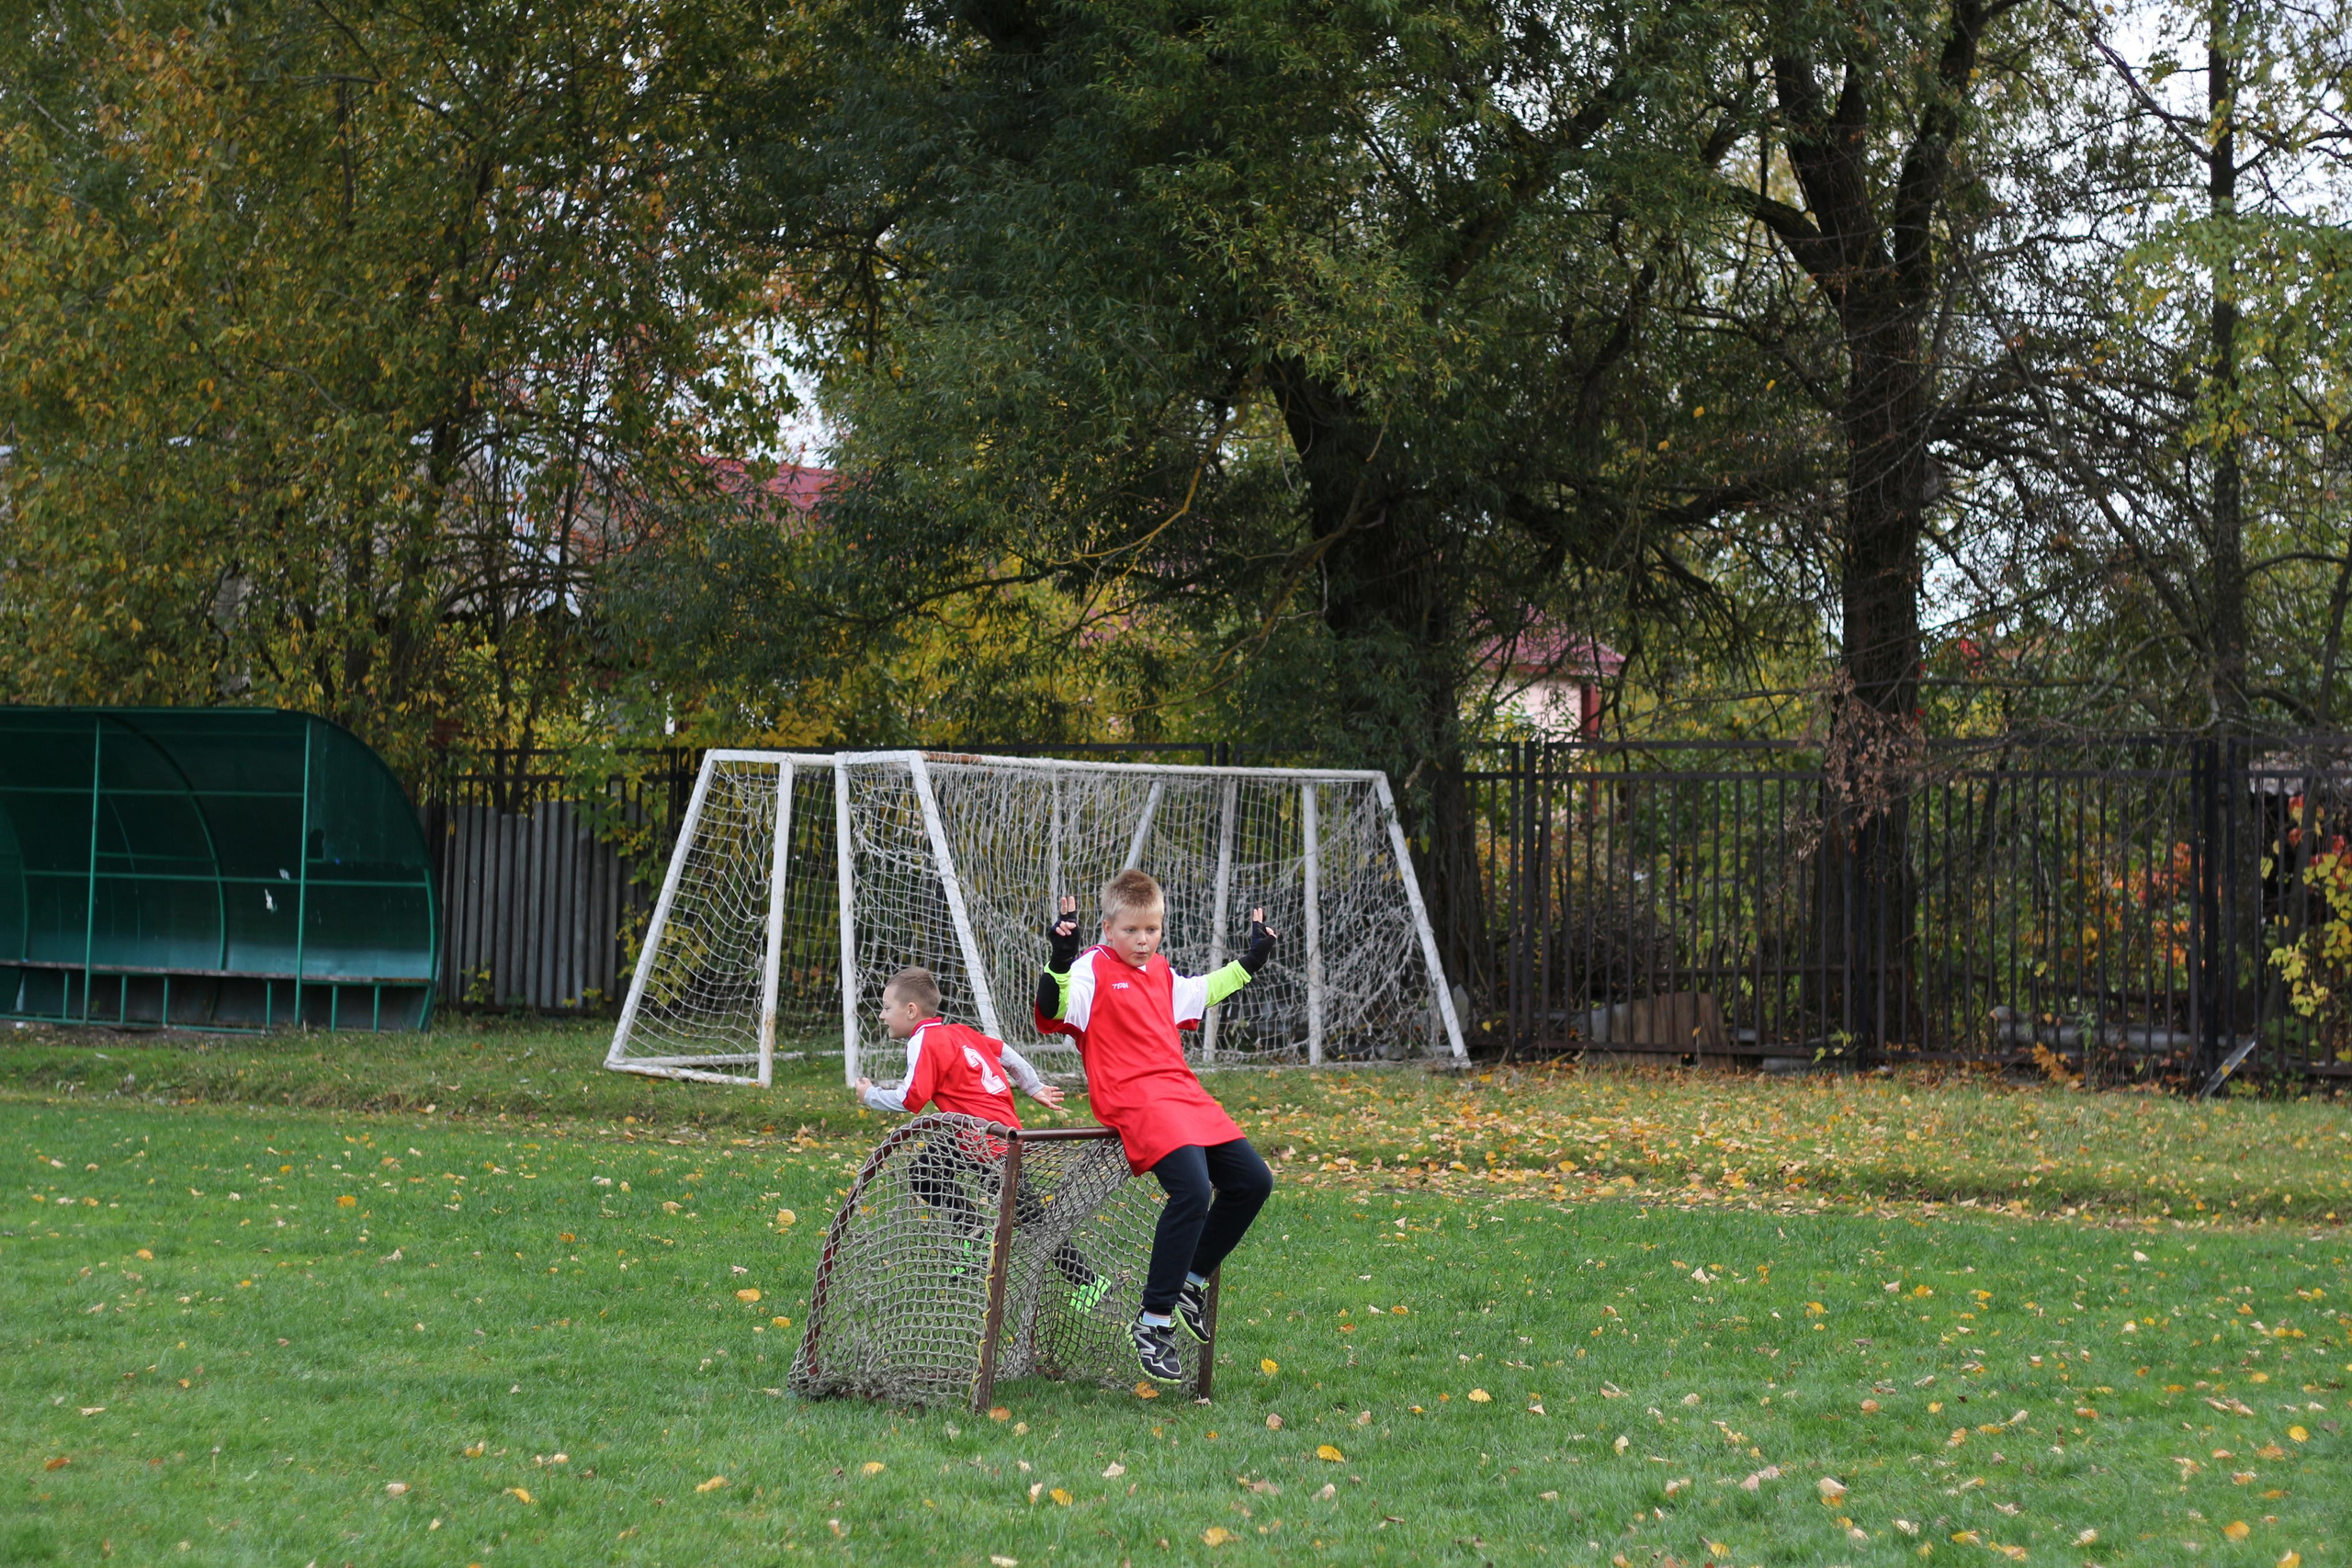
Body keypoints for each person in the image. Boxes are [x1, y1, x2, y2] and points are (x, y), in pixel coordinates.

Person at [1033, 869, 1277, 1383]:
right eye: (1131, 931)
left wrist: (1252, 960)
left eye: (1152, 930)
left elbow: (1204, 990)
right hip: (1134, 1098)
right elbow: (1051, 1008)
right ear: (1106, 928)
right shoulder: (1088, 970)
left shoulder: (1162, 972)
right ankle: (1152, 1321)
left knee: (1253, 1181)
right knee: (1191, 1190)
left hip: (1182, 1092)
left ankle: (1190, 1280)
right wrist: (1058, 958)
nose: (1143, 941)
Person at [855, 965, 1106, 1311]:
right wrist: (1031, 1085)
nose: (882, 1015)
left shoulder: (923, 1041)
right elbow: (1006, 1053)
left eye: (886, 1008)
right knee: (925, 1172)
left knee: (1030, 1218)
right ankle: (971, 1230)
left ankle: (1089, 1281)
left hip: (990, 1143)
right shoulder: (958, 1031)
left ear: (910, 1011)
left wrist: (870, 1095)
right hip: (973, 1136)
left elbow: (909, 1098)